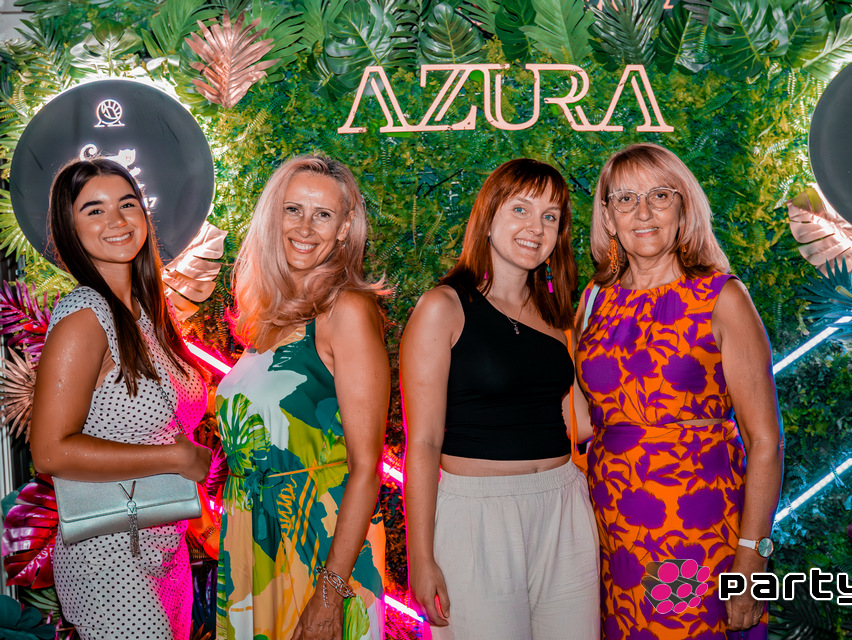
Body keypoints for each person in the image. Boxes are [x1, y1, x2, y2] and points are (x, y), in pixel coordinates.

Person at [575, 143, 784, 639]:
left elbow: (766, 441)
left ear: (684, 206)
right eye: (625, 199)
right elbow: (580, 423)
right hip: (610, 530)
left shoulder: (722, 296)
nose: (643, 213)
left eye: (660, 196)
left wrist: (752, 558)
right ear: (607, 216)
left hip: (700, 526)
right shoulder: (593, 300)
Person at [402, 158, 600, 640]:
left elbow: (583, 421)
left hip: (563, 507)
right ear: (489, 218)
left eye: (550, 216)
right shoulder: (443, 307)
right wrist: (420, 557)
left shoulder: (557, 315)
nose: (536, 227)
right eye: (521, 209)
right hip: (477, 516)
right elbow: (423, 442)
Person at [31, 158, 212, 640]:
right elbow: (49, 451)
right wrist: (173, 458)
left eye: (127, 204)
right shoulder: (84, 315)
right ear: (69, 229)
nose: (116, 220)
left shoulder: (144, 314)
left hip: (163, 543)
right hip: (109, 556)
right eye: (94, 210)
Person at [216, 155, 389, 640]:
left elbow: (366, 469)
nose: (305, 227)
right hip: (253, 544)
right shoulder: (264, 318)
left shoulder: (347, 311)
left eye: (323, 215)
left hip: (319, 545)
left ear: (344, 228)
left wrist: (329, 595)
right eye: (293, 209)